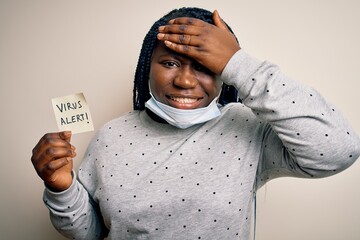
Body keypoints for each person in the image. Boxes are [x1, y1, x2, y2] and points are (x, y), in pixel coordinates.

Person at [31, 7, 360, 240]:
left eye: (204, 65)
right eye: (170, 62)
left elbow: (339, 150)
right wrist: (61, 188)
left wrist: (239, 62)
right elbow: (89, 232)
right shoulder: (112, 136)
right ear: (148, 66)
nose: (186, 80)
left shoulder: (246, 129)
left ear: (224, 73)